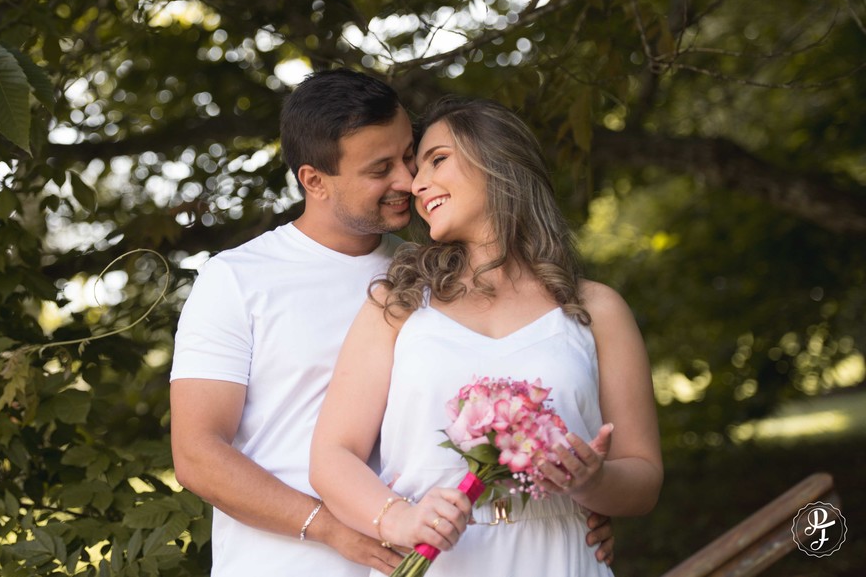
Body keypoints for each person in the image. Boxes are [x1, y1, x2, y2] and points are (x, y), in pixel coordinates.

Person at [170, 71, 616, 576]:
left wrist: (574, 500)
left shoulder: (433, 279)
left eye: (411, 155)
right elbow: (198, 454)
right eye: (381, 168)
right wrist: (334, 530)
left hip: (435, 560)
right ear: (315, 181)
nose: (408, 181)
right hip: (288, 562)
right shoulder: (238, 278)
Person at [310, 96, 662, 576]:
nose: (416, 184)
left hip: (559, 558)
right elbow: (332, 456)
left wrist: (592, 483)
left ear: (498, 163)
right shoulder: (398, 305)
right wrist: (401, 519)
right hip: (440, 562)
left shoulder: (596, 310)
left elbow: (643, 476)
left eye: (436, 160)